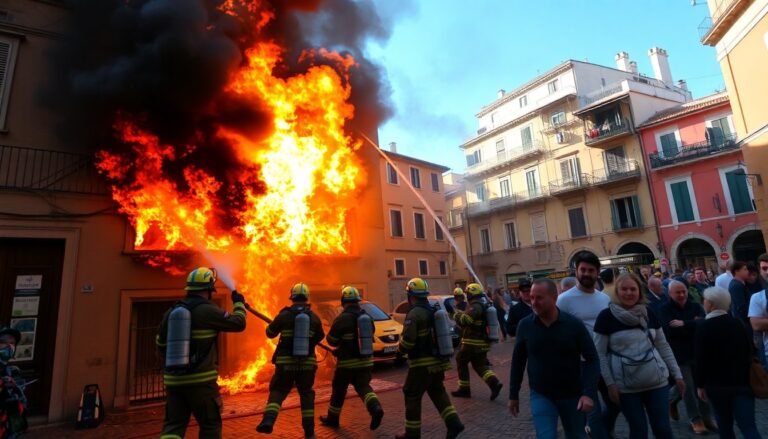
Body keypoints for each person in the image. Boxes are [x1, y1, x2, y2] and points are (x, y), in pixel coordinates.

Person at [157, 267, 247, 439]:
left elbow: (160, 344)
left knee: (173, 426)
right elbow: (238, 323)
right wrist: (239, 304)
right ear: (209, 290)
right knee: (210, 425)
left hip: (173, 382)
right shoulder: (207, 310)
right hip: (201, 383)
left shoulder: (171, 312)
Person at [593, 273, 684, 439]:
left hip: (656, 381)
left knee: (663, 429)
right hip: (626, 386)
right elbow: (599, 354)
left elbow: (663, 346)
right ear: (617, 292)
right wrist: (610, 384)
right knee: (638, 430)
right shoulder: (605, 317)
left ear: (640, 292)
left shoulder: (649, 312)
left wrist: (677, 374)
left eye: (633, 289)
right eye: (624, 289)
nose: (629, 293)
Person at [509, 278, 599, 439]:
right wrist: (513, 394)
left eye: (539, 298)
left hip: (572, 394)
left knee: (577, 435)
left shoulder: (574, 325)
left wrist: (588, 393)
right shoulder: (525, 326)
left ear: (554, 297)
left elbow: (592, 359)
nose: (534, 302)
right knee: (546, 436)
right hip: (541, 394)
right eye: (532, 297)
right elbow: (518, 361)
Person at [396, 278, 464, 439]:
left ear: (410, 295)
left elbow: (408, 340)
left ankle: (411, 434)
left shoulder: (414, 313)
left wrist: (399, 350)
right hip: (438, 363)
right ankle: (454, 423)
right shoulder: (432, 309)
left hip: (421, 364)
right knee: (437, 391)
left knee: (411, 393)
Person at [256, 283, 324, 437]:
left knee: (278, 391)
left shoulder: (284, 315)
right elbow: (320, 336)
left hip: (286, 363)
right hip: (307, 364)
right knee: (306, 394)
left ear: (292, 297)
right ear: (306, 298)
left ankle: (268, 421)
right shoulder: (314, 318)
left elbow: (270, 333)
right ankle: (309, 431)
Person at [557, 251, 612, 439]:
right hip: (581, 363)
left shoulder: (604, 299)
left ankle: (605, 429)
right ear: (576, 271)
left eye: (590, 270)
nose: (586, 273)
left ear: (597, 272)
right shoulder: (564, 300)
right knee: (592, 409)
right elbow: (558, 331)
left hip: (605, 359)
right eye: (583, 270)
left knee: (616, 402)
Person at [695, 287, 762, 439]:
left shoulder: (703, 327)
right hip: (742, 382)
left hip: (717, 386)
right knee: (749, 427)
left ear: (711, 304)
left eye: (704, 300)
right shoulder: (738, 324)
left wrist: (700, 385)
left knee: (725, 426)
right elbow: (750, 350)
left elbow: (701, 359)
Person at [319, 286, 384, 430]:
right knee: (364, 388)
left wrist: (340, 345)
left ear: (343, 301)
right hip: (366, 362)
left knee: (339, 390)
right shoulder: (367, 317)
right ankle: (375, 409)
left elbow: (331, 340)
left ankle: (332, 418)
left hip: (347, 364)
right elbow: (368, 334)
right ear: (357, 301)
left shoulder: (342, 318)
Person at [658, 281, 716, 434]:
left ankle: (706, 417)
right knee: (689, 387)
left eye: (683, 291)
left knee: (702, 384)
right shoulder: (664, 309)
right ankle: (695, 419)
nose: (682, 294)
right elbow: (669, 331)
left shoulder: (695, 306)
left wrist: (684, 324)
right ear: (670, 293)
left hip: (698, 352)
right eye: (678, 292)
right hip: (678, 354)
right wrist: (693, 324)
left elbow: (704, 323)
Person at [451, 283, 503, 400]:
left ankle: (464, 389)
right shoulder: (481, 303)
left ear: (471, 293)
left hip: (472, 342)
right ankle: (494, 384)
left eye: (467, 293)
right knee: (479, 365)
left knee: (460, 360)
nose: (466, 295)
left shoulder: (476, 305)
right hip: (480, 342)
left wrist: (457, 315)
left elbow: (467, 319)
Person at [0, 327, 27, 438]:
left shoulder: (14, 372)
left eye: (12, 343)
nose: (9, 346)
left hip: (9, 430)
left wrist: (14, 391)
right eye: (3, 342)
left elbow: (23, 403)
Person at [728, 261, 752, 335]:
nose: (747, 271)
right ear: (737, 271)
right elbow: (741, 306)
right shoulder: (736, 285)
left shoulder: (740, 283)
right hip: (743, 321)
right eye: (745, 269)